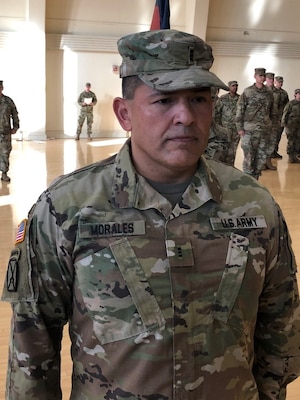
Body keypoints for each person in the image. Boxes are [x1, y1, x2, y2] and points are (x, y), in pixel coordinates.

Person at [2, 29, 300, 400]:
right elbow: (32, 344)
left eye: (198, 99)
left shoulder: (253, 205)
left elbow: (279, 328)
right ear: (125, 113)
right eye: (163, 101)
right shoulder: (66, 208)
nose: (185, 117)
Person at [236, 67, 276, 179]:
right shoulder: (248, 91)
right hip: (249, 130)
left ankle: (256, 179)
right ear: (255, 76)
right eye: (260, 76)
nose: (262, 78)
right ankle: (248, 180)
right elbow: (240, 109)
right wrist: (239, 128)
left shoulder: (268, 92)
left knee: (261, 156)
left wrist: (272, 126)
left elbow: (273, 110)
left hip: (264, 130)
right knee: (249, 156)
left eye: (264, 76)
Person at [213, 80, 240, 166]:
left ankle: (231, 166)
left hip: (236, 129)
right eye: (233, 86)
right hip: (225, 128)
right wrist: (218, 127)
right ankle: (222, 166)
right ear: (229, 87)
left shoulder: (240, 99)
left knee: (233, 149)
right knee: (223, 148)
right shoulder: (223, 99)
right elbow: (217, 113)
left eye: (236, 86)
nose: (235, 87)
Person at [0, 80, 19, 182]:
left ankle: (4, 173)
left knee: (5, 153)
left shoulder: (8, 101)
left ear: (2, 88)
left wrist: (16, 126)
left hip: (5, 132)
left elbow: (14, 114)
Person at [262, 72, 277, 170]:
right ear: (265, 79)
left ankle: (268, 161)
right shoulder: (261, 91)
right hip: (262, 121)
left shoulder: (278, 92)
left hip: (273, 120)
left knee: (271, 142)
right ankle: (262, 162)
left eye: (272, 79)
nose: (271, 80)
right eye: (269, 78)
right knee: (262, 143)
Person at [281, 88, 300, 163]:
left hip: (299, 126)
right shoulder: (291, 104)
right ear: (295, 95)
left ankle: (295, 155)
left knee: (298, 141)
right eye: (298, 94)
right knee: (291, 141)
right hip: (291, 125)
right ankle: (290, 156)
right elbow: (285, 114)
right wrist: (284, 124)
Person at [272, 75, 289, 158]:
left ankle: (275, 151)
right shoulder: (270, 92)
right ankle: (270, 153)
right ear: (275, 82)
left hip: (280, 118)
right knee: (271, 136)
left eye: (282, 82)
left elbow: (287, 107)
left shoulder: (284, 93)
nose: (280, 83)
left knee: (278, 136)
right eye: (279, 82)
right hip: (272, 119)